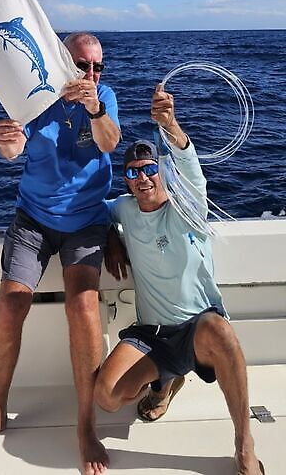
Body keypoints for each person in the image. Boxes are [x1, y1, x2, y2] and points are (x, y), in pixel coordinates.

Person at [0, 32, 120, 475]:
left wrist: (95, 108)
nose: (90, 74)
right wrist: (4, 139)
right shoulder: (33, 97)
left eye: (97, 66)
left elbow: (110, 142)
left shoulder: (104, 97)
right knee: (11, 304)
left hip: (86, 220)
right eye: (82, 65)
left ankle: (85, 423)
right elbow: (14, 150)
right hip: (33, 219)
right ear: (62, 62)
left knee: (83, 307)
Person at [94, 85, 264, 475]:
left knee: (221, 332)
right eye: (133, 172)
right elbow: (90, 210)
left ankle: (244, 442)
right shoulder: (123, 210)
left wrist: (170, 124)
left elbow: (189, 167)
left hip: (197, 327)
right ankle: (165, 382)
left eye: (150, 168)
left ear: (162, 171)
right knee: (107, 396)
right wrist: (110, 238)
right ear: (127, 181)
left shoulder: (188, 207)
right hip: (153, 334)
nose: (142, 177)